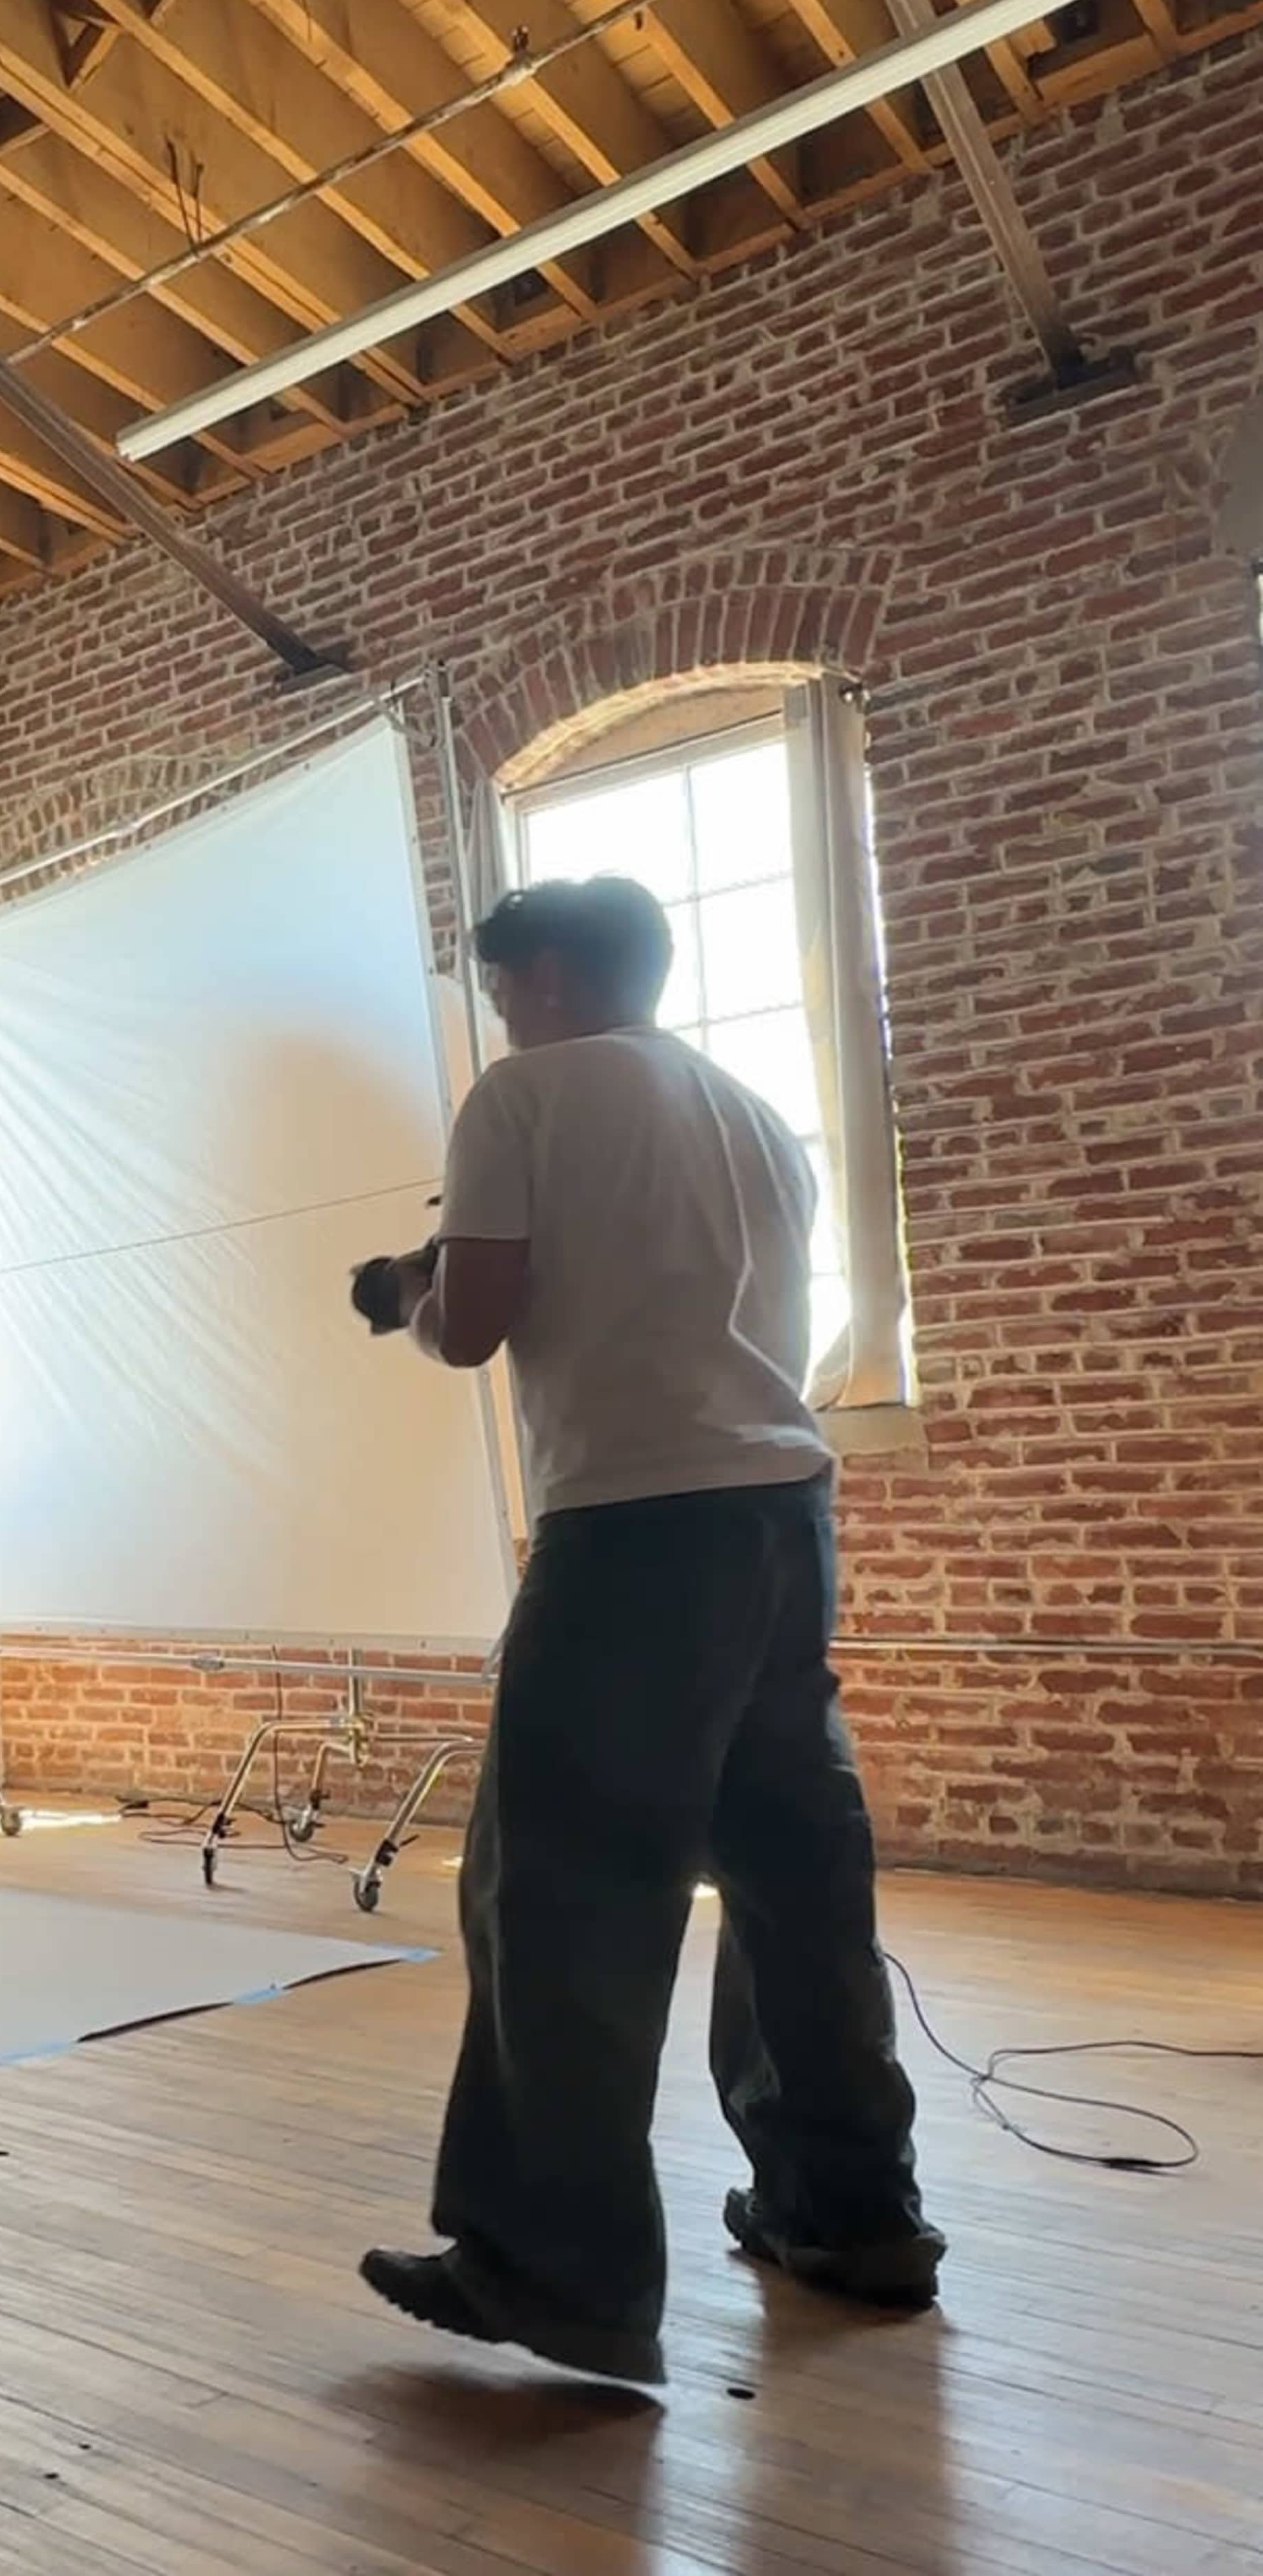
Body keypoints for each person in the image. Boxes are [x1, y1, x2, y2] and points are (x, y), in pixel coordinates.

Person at [353, 875, 941, 2388]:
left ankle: (558, 2271)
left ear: (543, 974)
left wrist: (407, 1295)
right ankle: (851, 2214)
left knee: (557, 1889)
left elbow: (476, 1324)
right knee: (793, 1875)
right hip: (783, 1515)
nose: (500, 1016)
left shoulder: (522, 1094)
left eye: (501, 989)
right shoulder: (750, 1111)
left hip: (629, 1533)